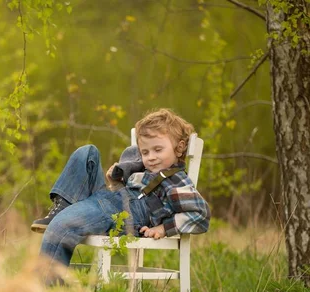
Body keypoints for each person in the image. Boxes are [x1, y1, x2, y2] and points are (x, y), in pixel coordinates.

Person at [31, 108, 210, 266]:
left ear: (178, 149)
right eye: (145, 152)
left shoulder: (176, 180)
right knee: (88, 153)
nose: (151, 157)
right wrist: (115, 184)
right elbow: (128, 197)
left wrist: (163, 228)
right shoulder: (148, 173)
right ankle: (61, 207)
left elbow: (200, 215)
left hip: (124, 215)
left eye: (158, 149)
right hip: (111, 204)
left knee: (61, 226)